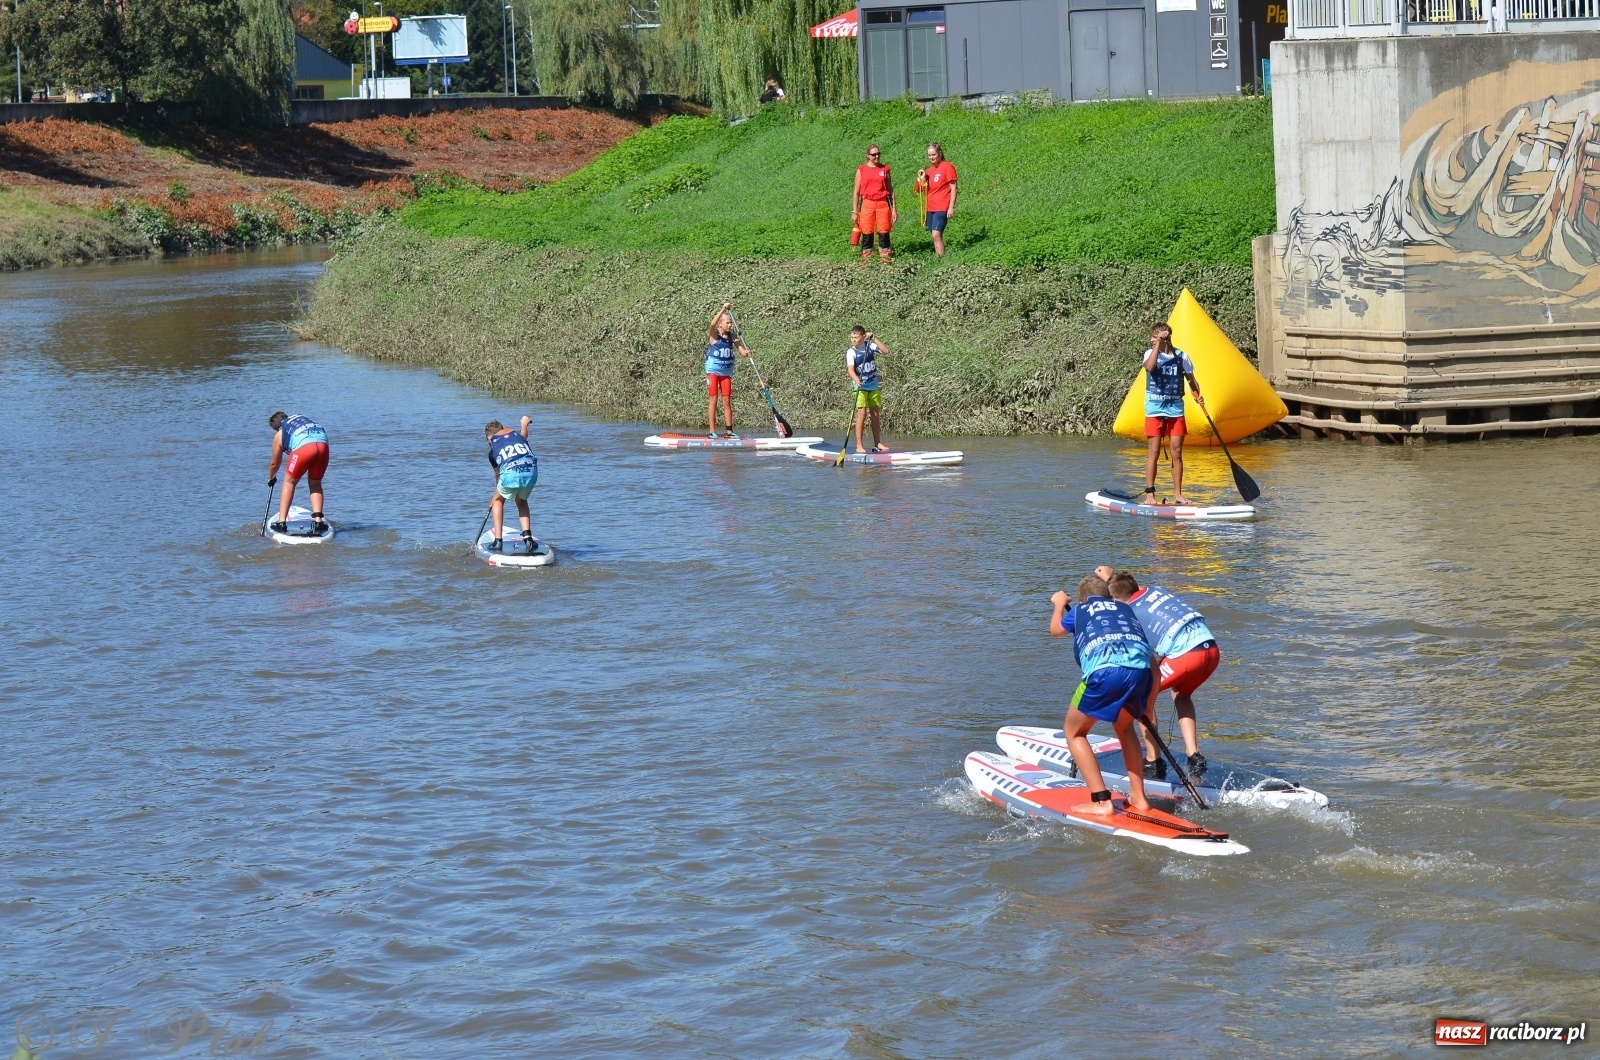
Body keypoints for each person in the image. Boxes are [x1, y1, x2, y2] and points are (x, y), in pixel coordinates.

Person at [1048, 575, 1154, 816]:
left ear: (1082, 598)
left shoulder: (1082, 608)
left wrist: (1059, 603)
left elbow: (1055, 630)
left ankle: (1101, 801)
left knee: (1074, 732)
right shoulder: (1124, 607)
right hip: (1142, 672)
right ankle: (1139, 798)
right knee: (1125, 728)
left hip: (1106, 672)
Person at [1104, 570, 1218, 779]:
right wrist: (1110, 578)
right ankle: (1194, 756)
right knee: (1181, 694)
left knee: (1140, 695)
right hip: (1211, 650)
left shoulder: (1130, 614)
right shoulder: (1153, 590)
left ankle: (1153, 761)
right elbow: (1127, 589)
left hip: (1187, 657)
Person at [1142, 321, 1204, 505]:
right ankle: (1150, 494)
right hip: (1154, 408)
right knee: (1154, 451)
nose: (1155, 339)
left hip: (1175, 408)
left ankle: (1178, 494)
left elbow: (1191, 380)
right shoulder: (1150, 354)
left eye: (1160, 336)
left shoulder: (1181, 356)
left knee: (1176, 452)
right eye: (1154, 337)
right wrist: (1156, 347)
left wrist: (1198, 396)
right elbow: (1150, 367)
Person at [266, 411, 329, 535]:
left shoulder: (280, 433)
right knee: (315, 483)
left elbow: (274, 464)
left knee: (289, 482)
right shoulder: (299, 419)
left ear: (275, 429)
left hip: (305, 449)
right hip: (323, 446)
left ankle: (281, 522)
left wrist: (271, 478)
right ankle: (318, 521)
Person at [485, 415, 539, 553]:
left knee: (498, 501)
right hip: (531, 473)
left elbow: (498, 474)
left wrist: (495, 495)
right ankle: (528, 539)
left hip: (511, 475)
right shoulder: (516, 436)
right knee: (521, 501)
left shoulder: (492, 451)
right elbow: (524, 435)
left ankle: (498, 541)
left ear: (488, 439)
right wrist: (524, 424)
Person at [705, 303, 752, 438]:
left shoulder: (732, 337)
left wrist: (747, 353)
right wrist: (723, 310)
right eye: (727, 323)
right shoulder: (714, 334)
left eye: (731, 323)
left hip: (726, 373)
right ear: (721, 324)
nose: (730, 325)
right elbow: (712, 324)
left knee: (726, 400)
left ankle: (729, 431)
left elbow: (741, 351)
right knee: (714, 399)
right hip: (713, 371)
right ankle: (712, 431)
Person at [846, 325, 889, 454]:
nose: (853, 340)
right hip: (860, 387)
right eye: (852, 337)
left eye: (856, 337)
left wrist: (875, 339)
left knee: (875, 415)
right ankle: (859, 445)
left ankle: (878, 443)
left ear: (863, 337)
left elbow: (886, 351)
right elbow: (850, 370)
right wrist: (856, 379)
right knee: (862, 415)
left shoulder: (870, 345)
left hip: (873, 385)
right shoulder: (851, 351)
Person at [852, 145, 896, 264]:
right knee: (867, 231)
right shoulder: (861, 169)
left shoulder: (885, 169)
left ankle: (885, 258)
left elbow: (891, 190)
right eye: (873, 154)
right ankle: (866, 260)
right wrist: (855, 211)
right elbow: (856, 192)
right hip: (867, 203)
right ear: (868, 156)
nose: (876, 156)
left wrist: (894, 209)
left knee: (884, 230)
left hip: (882, 203)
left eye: (878, 154)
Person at [914, 142, 958, 258]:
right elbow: (919, 190)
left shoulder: (947, 167)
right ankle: (940, 257)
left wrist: (951, 207)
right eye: (929, 155)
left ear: (939, 153)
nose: (931, 157)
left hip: (942, 206)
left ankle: (941, 259)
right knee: (934, 235)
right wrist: (921, 179)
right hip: (931, 208)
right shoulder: (928, 171)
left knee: (936, 234)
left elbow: (953, 188)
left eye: (933, 155)